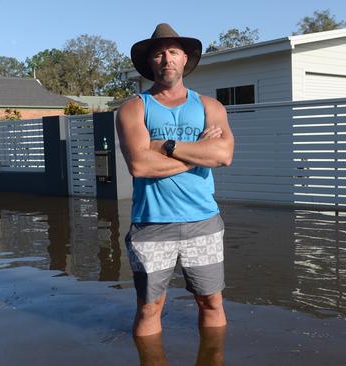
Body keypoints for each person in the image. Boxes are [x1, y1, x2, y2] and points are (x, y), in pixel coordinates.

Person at [116, 23, 234, 343]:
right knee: (149, 308)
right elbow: (139, 165)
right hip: (152, 223)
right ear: (150, 62)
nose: (166, 58)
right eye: (159, 53)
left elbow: (223, 156)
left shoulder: (210, 107)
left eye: (173, 52)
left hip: (203, 222)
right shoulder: (133, 108)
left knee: (210, 302)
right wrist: (199, 152)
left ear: (184, 59)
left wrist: (166, 147)